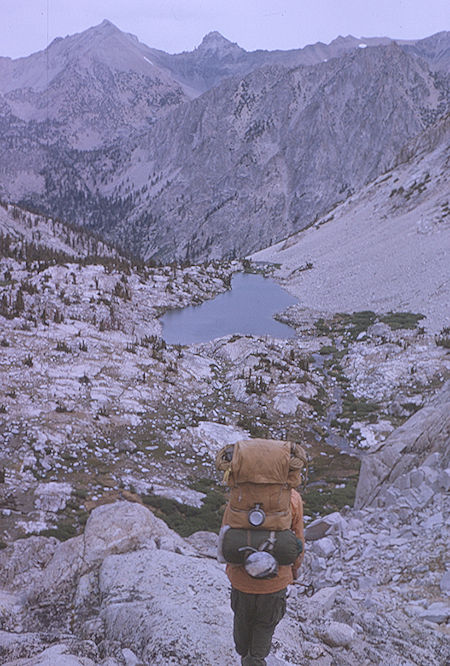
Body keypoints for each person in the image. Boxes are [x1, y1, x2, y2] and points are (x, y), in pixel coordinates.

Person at [223, 488, 304, 666]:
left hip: (241, 582)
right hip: (275, 584)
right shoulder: (292, 498)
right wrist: (293, 571)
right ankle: (253, 659)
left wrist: (231, 569)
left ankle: (247, 657)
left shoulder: (240, 495)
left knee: (242, 631)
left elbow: (225, 534)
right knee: (264, 628)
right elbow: (298, 541)